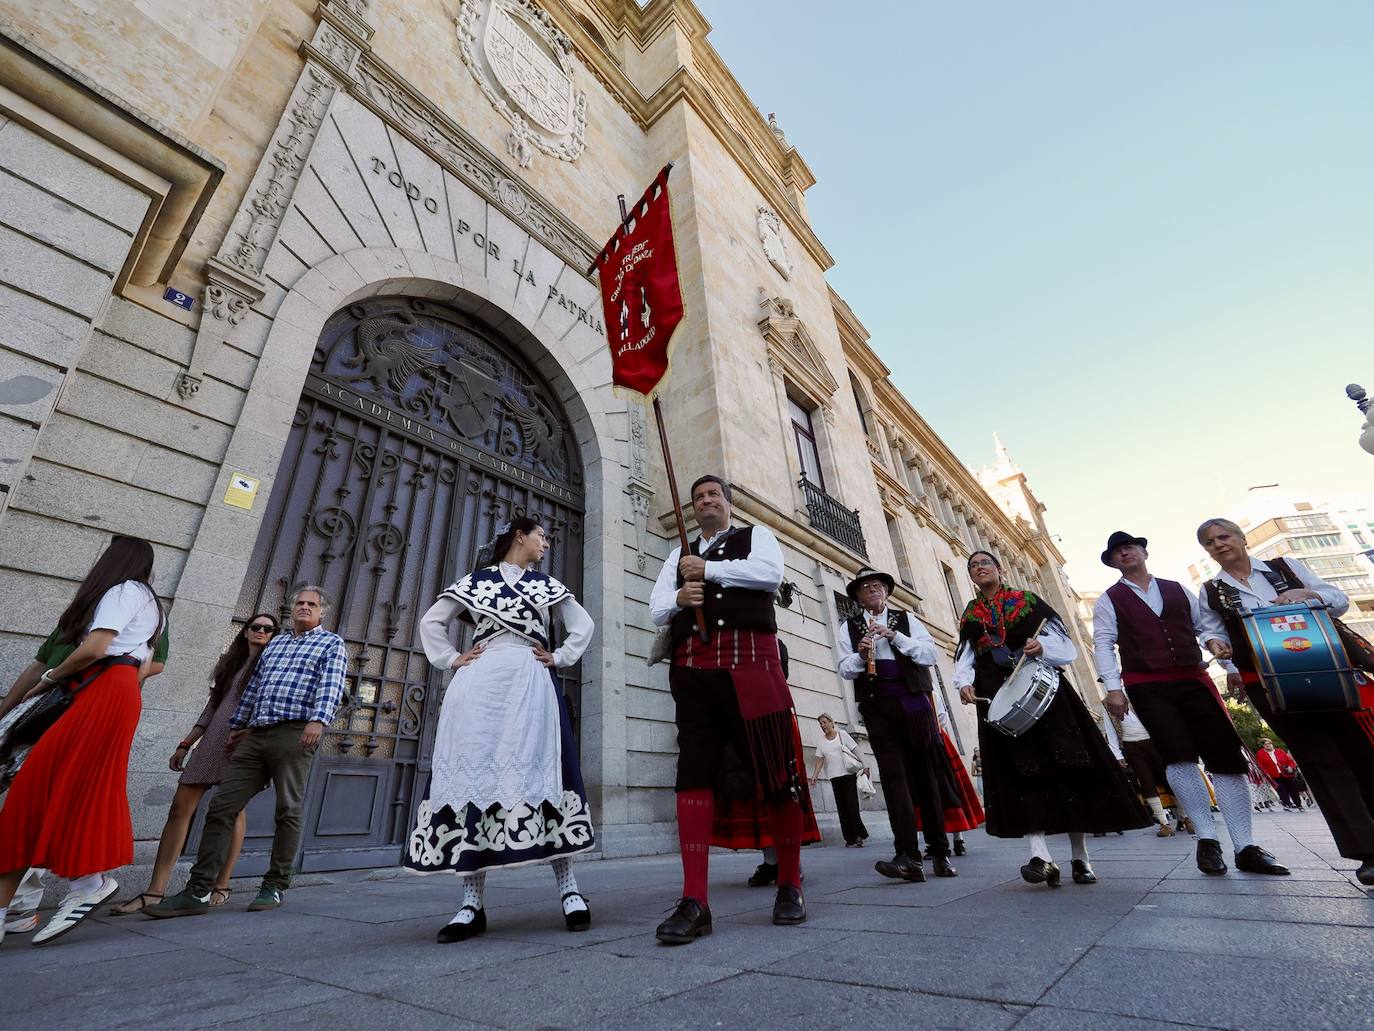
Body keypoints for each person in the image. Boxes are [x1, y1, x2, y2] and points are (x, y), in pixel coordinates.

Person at [400, 517, 596, 942]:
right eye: (541, 535)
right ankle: (471, 903)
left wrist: (560, 657)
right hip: (481, 682)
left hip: (528, 678)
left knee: (544, 776)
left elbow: (584, 626)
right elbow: (432, 622)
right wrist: (451, 659)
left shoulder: (547, 585)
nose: (546, 543)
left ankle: (570, 890)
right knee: (475, 778)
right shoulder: (476, 581)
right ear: (519, 537)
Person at [649, 474, 813, 942]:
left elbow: (769, 575)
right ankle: (695, 899)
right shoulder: (675, 556)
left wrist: (710, 571)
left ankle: (790, 884)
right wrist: (680, 596)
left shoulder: (755, 537)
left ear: (728, 503)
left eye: (713, 495)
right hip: (693, 674)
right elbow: (656, 608)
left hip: (752, 667)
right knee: (693, 775)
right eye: (699, 497)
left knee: (777, 773)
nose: (706, 502)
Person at [0, 535, 164, 946]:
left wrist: (49, 681)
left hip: (104, 687)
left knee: (47, 786)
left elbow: (96, 648)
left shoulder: (126, 590)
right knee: (44, 789)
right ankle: (56, 893)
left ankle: (86, 884)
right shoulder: (136, 598)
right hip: (103, 689)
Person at [146, 586, 347, 919]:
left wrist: (318, 720)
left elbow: (332, 684)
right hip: (255, 733)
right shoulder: (278, 642)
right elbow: (254, 687)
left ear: (322, 612)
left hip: (296, 732)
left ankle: (274, 885)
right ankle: (197, 892)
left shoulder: (330, 643)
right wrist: (238, 725)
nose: (304, 607)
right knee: (222, 806)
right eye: (300, 602)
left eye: (312, 604)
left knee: (288, 809)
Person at [1093, 531, 1286, 875]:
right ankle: (1207, 841)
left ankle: (1245, 846)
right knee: (1178, 757)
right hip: (1147, 686)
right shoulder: (1110, 599)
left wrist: (1230, 666)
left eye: (1130, 547)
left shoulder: (1178, 588)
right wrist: (1113, 688)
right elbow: (1104, 643)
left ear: (1144, 552)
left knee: (1225, 758)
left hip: (1193, 678)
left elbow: (1206, 627)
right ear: (1112, 562)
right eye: (1117, 552)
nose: (1125, 553)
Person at [1195, 517, 1374, 884]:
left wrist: (1309, 596)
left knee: (1359, 751)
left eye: (1224, 536)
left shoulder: (1284, 567)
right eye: (1210, 542)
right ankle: (1367, 851)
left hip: (1325, 669)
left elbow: (1339, 601)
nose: (1219, 544)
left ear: (1241, 538)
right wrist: (1217, 647)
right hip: (1268, 682)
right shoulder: (1212, 590)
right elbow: (1211, 632)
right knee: (1319, 760)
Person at [955, 550, 1151, 887]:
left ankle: (1081, 857)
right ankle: (1040, 855)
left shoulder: (1028, 601)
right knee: (1023, 774)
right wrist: (965, 683)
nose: (979, 568)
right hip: (998, 697)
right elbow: (966, 654)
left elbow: (1064, 644)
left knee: (1067, 770)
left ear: (1000, 569)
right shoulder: (971, 614)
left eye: (985, 563)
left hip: (1046, 696)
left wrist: (1041, 648)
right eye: (973, 566)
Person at [110, 614, 279, 915]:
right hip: (212, 740)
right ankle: (155, 891)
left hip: (243, 743)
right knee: (179, 809)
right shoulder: (230, 665)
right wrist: (186, 743)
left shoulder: (272, 665)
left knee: (233, 812)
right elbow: (211, 708)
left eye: (269, 629)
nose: (262, 631)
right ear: (245, 632)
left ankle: (222, 884)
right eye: (257, 627)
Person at [837, 566, 958, 880]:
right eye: (865, 588)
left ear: (887, 592)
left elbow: (929, 655)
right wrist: (862, 655)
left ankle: (940, 852)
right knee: (893, 780)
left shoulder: (907, 620)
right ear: (859, 597)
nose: (872, 590)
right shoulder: (848, 627)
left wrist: (895, 636)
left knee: (925, 777)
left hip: (914, 704)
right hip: (878, 708)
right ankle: (907, 855)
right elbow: (845, 669)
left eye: (877, 585)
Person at [810, 713, 870, 847]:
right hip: (834, 776)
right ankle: (849, 839)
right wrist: (815, 775)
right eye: (820, 724)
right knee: (842, 808)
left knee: (852, 805)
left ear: (832, 722)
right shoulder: (821, 741)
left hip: (847, 774)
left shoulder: (842, 734)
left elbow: (856, 750)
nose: (823, 726)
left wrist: (865, 766)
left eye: (824, 722)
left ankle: (858, 836)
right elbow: (820, 759)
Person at [1255, 738, 1304, 811]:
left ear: (1272, 744)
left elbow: (1290, 761)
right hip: (1273, 775)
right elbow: (1260, 765)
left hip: (1286, 774)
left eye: (1269, 743)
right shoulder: (1260, 753)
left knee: (1292, 789)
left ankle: (1298, 804)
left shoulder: (1280, 751)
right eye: (1265, 744)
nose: (1268, 745)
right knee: (1281, 789)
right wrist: (1265, 774)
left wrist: (1291, 767)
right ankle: (1287, 804)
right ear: (1263, 746)